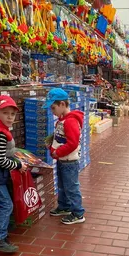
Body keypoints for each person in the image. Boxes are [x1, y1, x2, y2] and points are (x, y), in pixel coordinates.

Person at [44, 88, 85, 225]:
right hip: (62, 160)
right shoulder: (62, 120)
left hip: (69, 161)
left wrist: (58, 152)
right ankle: (64, 206)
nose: (52, 111)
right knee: (62, 185)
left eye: (53, 107)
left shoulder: (70, 121)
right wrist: (51, 144)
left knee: (71, 187)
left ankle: (78, 213)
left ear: (62, 104)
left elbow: (72, 143)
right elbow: (61, 137)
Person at [0, 95, 27, 253]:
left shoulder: (0, 129)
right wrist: (17, 164)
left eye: (12, 114)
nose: (9, 116)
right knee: (6, 205)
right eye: (5, 112)